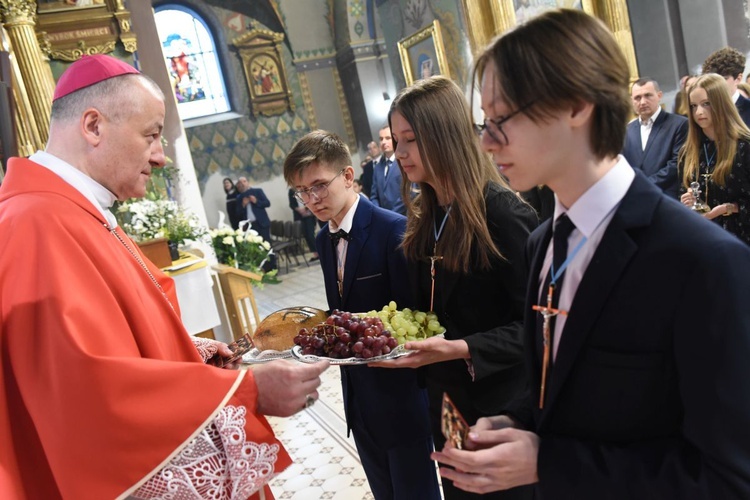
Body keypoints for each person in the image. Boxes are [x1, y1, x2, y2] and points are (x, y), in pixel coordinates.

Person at [430, 9, 750, 498]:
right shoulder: (543, 241)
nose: (487, 143)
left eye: (501, 120)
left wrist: (551, 462)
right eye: (484, 124)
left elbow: (725, 477)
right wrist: (515, 420)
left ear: (576, 106)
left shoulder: (700, 260)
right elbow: (559, 381)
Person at [0, 54, 329, 499]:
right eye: (151, 135)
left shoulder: (75, 212)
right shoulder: (35, 225)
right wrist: (246, 389)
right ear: (93, 126)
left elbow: (110, 335)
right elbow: (82, 393)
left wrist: (189, 350)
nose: (160, 156)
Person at [372, 76, 537, 500]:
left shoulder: (502, 213)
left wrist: (463, 348)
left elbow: (539, 329)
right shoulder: (426, 217)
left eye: (411, 139)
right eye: (397, 140)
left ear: (444, 136)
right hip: (447, 404)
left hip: (502, 406)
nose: (400, 152)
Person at [283, 130, 441, 500]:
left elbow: (413, 320)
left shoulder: (393, 229)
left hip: (400, 400)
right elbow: (340, 316)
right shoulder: (324, 239)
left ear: (349, 176)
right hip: (358, 399)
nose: (312, 199)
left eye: (320, 185)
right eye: (302, 191)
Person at [678, 73, 750, 245]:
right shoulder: (687, 152)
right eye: (694, 106)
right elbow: (683, 190)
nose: (699, 112)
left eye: (706, 104)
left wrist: (729, 208)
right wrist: (687, 200)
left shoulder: (745, 146)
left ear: (721, 104)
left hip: (742, 237)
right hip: (705, 239)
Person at [622, 77, 688, 198]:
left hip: (669, 199)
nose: (642, 102)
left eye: (648, 95)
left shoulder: (679, 124)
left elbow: (676, 164)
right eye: (637, 97)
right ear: (631, 101)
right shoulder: (627, 130)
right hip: (637, 201)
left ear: (659, 95)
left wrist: (643, 186)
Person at [703, 46, 750, 126]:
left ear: (738, 79)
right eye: (713, 80)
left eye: (724, 79)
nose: (717, 84)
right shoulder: (704, 111)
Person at [370, 125, 406, 215]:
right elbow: (374, 195)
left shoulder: (404, 162)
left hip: (403, 215)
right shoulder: (378, 167)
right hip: (384, 219)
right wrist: (379, 213)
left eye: (388, 138)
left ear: (395, 139)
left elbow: (407, 193)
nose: (384, 142)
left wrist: (391, 215)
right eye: (381, 139)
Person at [236, 176, 272, 243]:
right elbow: (238, 213)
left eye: (244, 181)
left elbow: (267, 203)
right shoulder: (239, 198)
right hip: (250, 226)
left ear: (248, 183)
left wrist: (256, 201)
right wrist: (243, 205)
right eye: (240, 183)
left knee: (267, 244)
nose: (242, 184)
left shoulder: (258, 191)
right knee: (256, 247)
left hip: (262, 224)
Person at [287, 186, 319, 261]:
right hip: (299, 216)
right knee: (306, 235)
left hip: (309, 214)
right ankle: (315, 254)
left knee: (310, 234)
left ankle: (320, 252)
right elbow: (292, 204)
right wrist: (299, 210)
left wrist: (305, 208)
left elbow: (311, 199)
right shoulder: (291, 190)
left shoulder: (305, 187)